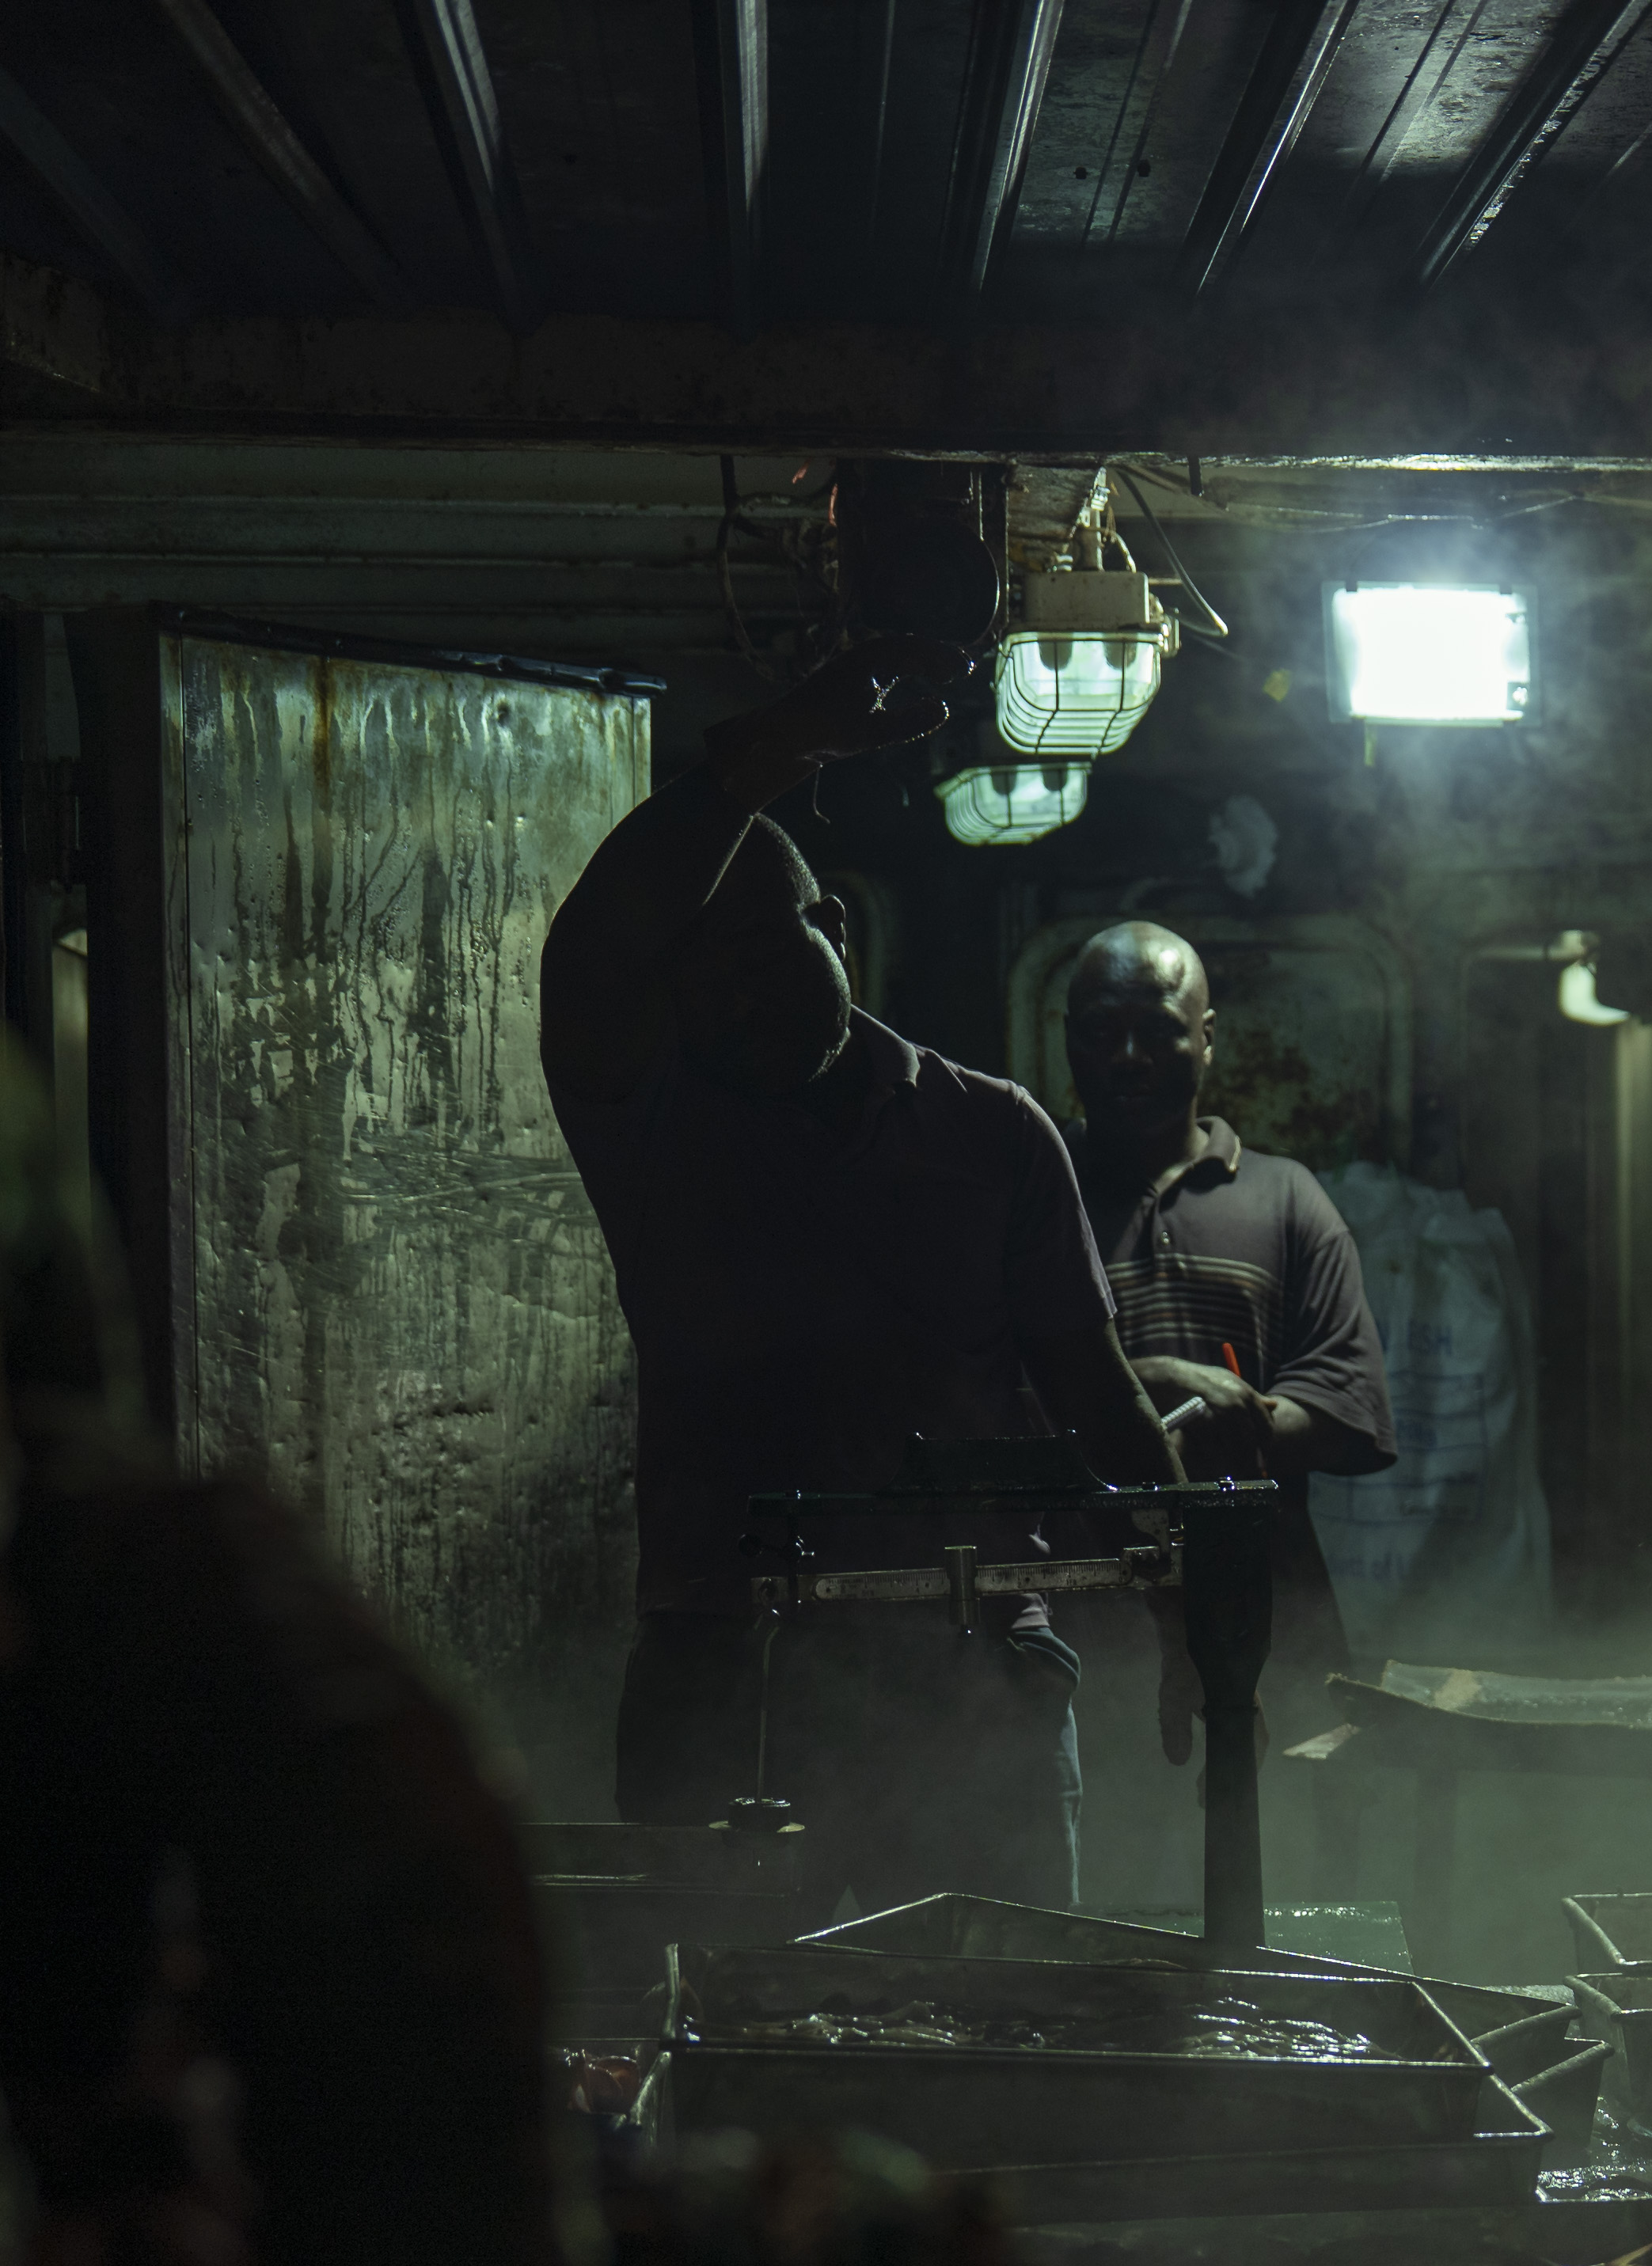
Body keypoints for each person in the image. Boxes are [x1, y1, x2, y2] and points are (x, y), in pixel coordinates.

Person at [539, 643, 1181, 1907]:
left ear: (832, 925)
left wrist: (1186, 1612)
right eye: (705, 978)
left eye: (767, 951)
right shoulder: (654, 1131)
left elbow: (1094, 1394)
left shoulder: (992, 1132)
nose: (743, 999)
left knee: (995, 2029)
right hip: (731, 1674)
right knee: (732, 2039)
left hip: (969, 1665)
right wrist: (775, 751)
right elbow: (591, 956)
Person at [1058, 920, 1392, 1763]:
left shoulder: (1286, 1197)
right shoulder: (1034, 1196)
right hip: (1088, 1614)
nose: (1128, 1055)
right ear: (1069, 1042)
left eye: (1160, 1029)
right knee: (1104, 1878)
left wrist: (1210, 1417)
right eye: (1101, 1031)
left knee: (1292, 1873)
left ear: (1206, 1039)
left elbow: (1351, 1410)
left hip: (1273, 1607)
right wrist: (1156, 1385)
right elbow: (984, 1402)